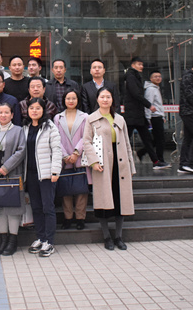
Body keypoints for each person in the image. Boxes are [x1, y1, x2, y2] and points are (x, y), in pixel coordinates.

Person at [83, 87, 135, 251]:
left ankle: (118, 236)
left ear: (112, 99)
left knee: (121, 201)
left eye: (108, 97)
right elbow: (86, 142)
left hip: (120, 164)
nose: (105, 100)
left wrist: (131, 166)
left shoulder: (119, 119)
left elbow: (127, 143)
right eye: (102, 97)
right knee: (103, 201)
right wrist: (93, 161)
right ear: (97, 99)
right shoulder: (91, 119)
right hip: (102, 165)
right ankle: (107, 237)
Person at [24, 98, 62, 258]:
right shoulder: (25, 127)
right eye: (31, 108)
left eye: (38, 108)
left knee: (48, 208)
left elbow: (57, 150)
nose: (34, 111)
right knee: (36, 207)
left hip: (46, 174)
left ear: (43, 110)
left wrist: (55, 171)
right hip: (31, 174)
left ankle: (49, 241)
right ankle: (40, 237)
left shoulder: (50, 127)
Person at [0, 103, 27, 256]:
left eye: (6, 112)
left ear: (12, 115)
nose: (3, 115)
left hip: (13, 174)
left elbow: (21, 151)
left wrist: (6, 167)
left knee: (13, 209)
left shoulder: (18, 131)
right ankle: (3, 240)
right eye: (0, 112)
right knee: (0, 210)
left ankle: (12, 241)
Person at [123, 57, 170, 170]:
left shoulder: (135, 76)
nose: (142, 67)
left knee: (147, 139)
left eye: (142, 64)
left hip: (138, 114)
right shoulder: (131, 76)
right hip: (133, 114)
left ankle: (156, 161)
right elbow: (135, 93)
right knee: (125, 140)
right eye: (139, 64)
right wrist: (149, 105)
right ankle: (120, 162)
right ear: (133, 65)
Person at [53, 89, 88, 230]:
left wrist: (76, 152)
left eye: (74, 98)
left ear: (78, 100)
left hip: (79, 157)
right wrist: (65, 155)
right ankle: (68, 218)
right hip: (64, 158)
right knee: (66, 190)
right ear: (64, 100)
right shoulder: (58, 118)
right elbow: (56, 138)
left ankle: (80, 218)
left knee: (81, 190)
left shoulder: (85, 117)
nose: (71, 101)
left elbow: (86, 136)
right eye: (68, 98)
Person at [139, 71, 167, 165]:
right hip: (154, 117)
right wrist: (148, 118)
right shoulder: (150, 89)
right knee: (160, 140)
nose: (158, 78)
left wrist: (163, 116)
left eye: (159, 76)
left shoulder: (156, 88)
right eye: (155, 76)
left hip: (158, 116)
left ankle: (142, 152)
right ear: (151, 79)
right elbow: (148, 104)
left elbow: (158, 105)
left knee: (157, 140)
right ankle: (160, 159)